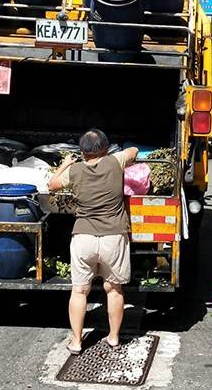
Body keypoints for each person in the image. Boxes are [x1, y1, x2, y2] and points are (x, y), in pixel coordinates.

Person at [48, 129, 138, 355]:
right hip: (114, 237)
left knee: (79, 291)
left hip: (83, 238)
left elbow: (52, 185)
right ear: (106, 148)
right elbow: (134, 151)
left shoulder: (75, 171)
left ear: (82, 151)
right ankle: (114, 337)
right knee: (114, 289)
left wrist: (67, 163)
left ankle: (77, 341)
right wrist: (119, 153)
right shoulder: (115, 162)